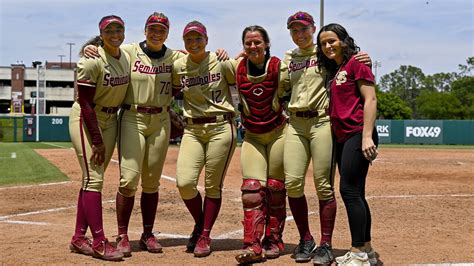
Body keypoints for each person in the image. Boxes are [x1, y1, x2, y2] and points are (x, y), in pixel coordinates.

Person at [279, 11, 372, 264]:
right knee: (293, 182)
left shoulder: (325, 56)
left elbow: (348, 65)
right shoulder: (287, 58)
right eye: (294, 30)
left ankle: (326, 244)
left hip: (321, 121)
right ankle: (306, 239)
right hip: (296, 124)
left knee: (323, 184)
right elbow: (278, 87)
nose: (299, 34)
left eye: (304, 29)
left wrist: (363, 57)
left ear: (313, 28)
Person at [171, 20, 237, 258]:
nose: (194, 42)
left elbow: (246, 74)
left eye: (198, 38)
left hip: (221, 126)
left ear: (207, 40)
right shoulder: (179, 65)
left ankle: (204, 235)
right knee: (184, 183)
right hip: (192, 129)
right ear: (184, 43)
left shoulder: (221, 62)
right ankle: (201, 225)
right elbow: (163, 81)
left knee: (212, 185)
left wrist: (237, 54)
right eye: (189, 39)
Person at [68, 15, 129, 261]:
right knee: (95, 179)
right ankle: (100, 241)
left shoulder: (126, 56)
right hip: (87, 118)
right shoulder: (92, 60)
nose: (115, 33)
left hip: (111, 119)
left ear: (124, 32)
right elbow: (85, 103)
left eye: (119, 29)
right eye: (109, 30)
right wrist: (96, 139)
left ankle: (78, 237)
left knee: (90, 178)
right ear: (101, 34)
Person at [317, 23, 378, 266]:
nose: (328, 46)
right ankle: (367, 249)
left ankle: (358, 253)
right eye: (323, 43)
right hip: (342, 136)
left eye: (331, 41)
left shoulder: (357, 63)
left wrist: (366, 136)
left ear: (343, 40)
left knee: (349, 191)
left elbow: (370, 99)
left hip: (356, 133)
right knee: (357, 193)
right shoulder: (336, 69)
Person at [233, 25, 288, 264]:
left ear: (266, 43)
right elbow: (201, 62)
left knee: (275, 188)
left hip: (277, 133)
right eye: (248, 43)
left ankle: (273, 240)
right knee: (252, 191)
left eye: (257, 42)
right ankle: (252, 245)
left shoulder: (280, 66)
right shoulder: (236, 68)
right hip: (253, 136)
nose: (253, 46)